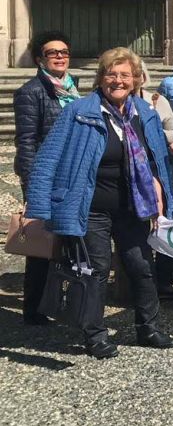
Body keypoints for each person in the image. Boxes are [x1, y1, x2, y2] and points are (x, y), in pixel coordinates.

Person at [27, 47, 173, 359]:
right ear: (101, 78)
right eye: (112, 74)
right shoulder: (79, 111)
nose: (118, 80)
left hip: (133, 206)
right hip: (91, 207)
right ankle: (94, 334)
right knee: (95, 270)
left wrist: (163, 189)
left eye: (125, 75)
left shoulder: (144, 113)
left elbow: (157, 158)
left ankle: (148, 327)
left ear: (135, 79)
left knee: (141, 266)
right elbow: (48, 157)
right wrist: (39, 207)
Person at [14, 30, 80, 325]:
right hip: (45, 176)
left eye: (64, 52)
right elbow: (26, 142)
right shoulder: (31, 92)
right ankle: (34, 308)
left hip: (70, 174)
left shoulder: (73, 88)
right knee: (41, 244)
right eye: (53, 52)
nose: (60, 56)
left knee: (66, 238)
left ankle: (60, 300)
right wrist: (31, 190)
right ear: (40, 59)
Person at [137, 61, 173, 302]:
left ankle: (164, 279)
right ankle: (139, 282)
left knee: (166, 220)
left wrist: (154, 131)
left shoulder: (157, 99)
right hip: (134, 172)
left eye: (136, 73)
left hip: (160, 168)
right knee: (137, 228)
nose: (132, 78)